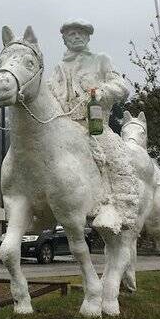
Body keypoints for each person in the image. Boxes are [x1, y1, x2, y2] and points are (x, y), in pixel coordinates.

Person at [48, 19, 139, 232]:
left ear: (88, 37)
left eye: (81, 32)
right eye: (71, 34)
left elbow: (121, 86)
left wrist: (102, 92)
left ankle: (121, 210)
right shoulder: (58, 68)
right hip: (63, 129)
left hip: (95, 126)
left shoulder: (101, 60)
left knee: (116, 157)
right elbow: (50, 93)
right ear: (64, 39)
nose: (77, 36)